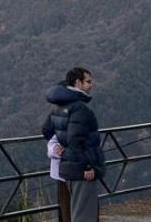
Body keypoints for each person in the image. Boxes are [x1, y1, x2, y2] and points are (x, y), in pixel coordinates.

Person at [42, 67, 105, 222]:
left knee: (73, 212)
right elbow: (76, 140)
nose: (91, 85)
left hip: (67, 167)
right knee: (84, 214)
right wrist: (88, 166)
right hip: (81, 170)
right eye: (88, 82)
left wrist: (61, 147)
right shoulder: (79, 108)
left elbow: (46, 129)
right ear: (78, 82)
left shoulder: (58, 105)